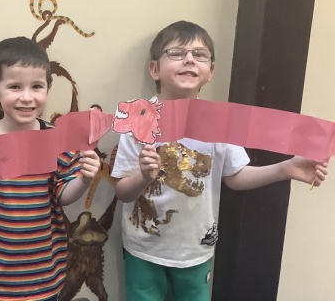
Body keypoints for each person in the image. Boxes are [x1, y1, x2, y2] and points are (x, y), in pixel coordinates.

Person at [111, 20, 328, 301]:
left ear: (210, 71)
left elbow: (235, 176)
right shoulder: (137, 120)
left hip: (196, 250)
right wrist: (143, 177)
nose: (189, 59)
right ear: (155, 69)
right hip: (143, 248)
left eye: (200, 55)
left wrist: (285, 168)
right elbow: (122, 191)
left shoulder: (220, 122)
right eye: (176, 53)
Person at [0, 37, 101, 301]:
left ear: (47, 88)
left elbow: (63, 196)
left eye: (36, 86)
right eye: (14, 86)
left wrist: (84, 179)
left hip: (45, 276)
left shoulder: (58, 141)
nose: (26, 97)